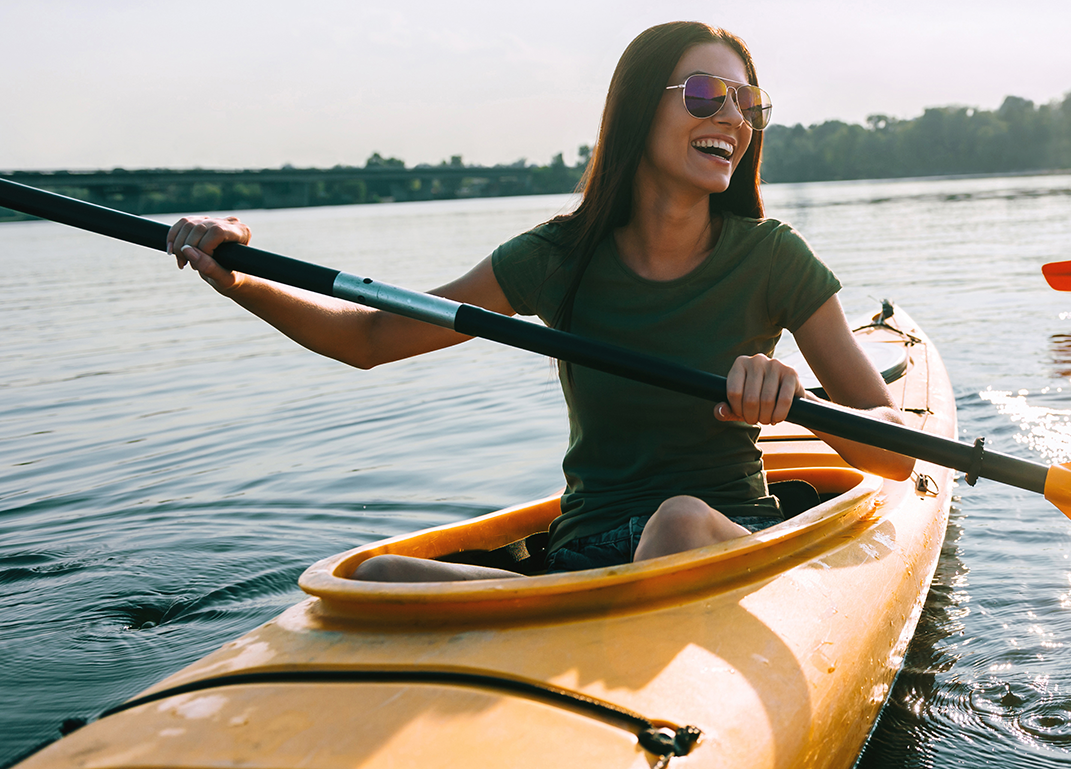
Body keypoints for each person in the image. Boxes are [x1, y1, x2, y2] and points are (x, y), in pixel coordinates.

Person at [163, 21, 915, 581]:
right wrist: (239, 276)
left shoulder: (773, 256)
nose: (733, 118)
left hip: (719, 538)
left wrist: (791, 399)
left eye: (749, 103)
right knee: (371, 574)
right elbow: (368, 337)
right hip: (583, 557)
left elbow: (891, 450)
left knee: (677, 520)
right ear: (635, 109)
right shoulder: (558, 256)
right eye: (705, 94)